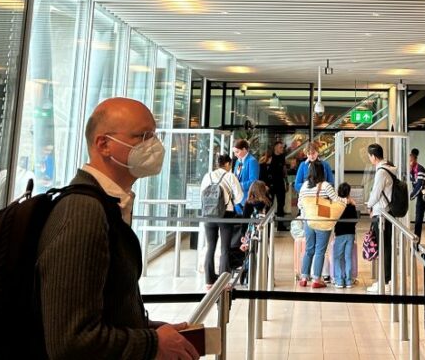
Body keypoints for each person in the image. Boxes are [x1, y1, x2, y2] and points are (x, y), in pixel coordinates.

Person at [35, 97, 198, 360]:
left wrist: (150, 332)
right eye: (142, 136)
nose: (153, 146)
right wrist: (150, 345)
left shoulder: (109, 206)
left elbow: (103, 309)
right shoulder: (83, 212)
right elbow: (70, 341)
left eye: (153, 136)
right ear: (104, 144)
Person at [199, 154, 244, 288]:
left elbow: (202, 193)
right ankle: (224, 281)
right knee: (225, 248)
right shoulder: (230, 176)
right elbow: (240, 197)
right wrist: (231, 202)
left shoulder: (208, 176)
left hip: (208, 215)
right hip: (226, 215)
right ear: (228, 164)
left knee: (210, 247)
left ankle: (209, 280)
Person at [297, 160, 338, 288]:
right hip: (322, 221)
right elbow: (336, 201)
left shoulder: (304, 186)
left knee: (309, 249)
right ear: (322, 172)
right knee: (320, 250)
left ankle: (304, 277)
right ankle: (316, 280)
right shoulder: (326, 186)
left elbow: (300, 204)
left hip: (308, 221)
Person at [366, 143, 397, 292]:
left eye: (369, 156)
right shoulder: (389, 169)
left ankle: (384, 282)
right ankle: (388, 280)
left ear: (373, 156)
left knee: (383, 247)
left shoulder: (381, 172)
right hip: (388, 213)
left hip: (382, 214)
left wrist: (369, 206)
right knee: (387, 247)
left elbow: (376, 193)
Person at [331, 182, 358, 288]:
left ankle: (339, 280)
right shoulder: (352, 205)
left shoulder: (337, 205)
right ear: (349, 192)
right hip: (350, 234)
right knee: (348, 257)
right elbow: (355, 220)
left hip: (340, 234)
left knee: (337, 257)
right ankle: (348, 281)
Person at [262, 140, 289, 230]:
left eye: (282, 147)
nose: (282, 149)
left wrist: (287, 182)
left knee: (281, 204)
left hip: (280, 183)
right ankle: (268, 225)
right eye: (280, 147)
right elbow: (263, 171)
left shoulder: (282, 157)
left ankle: (281, 225)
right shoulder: (269, 157)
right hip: (270, 185)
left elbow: (284, 170)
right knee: (269, 204)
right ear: (275, 148)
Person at [232, 139, 259, 216]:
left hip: (246, 198)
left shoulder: (252, 161)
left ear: (244, 150)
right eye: (234, 152)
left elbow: (253, 181)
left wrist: (238, 185)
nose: (235, 154)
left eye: (237, 152)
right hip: (237, 198)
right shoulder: (238, 161)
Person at [408, 148, 425, 239]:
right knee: (418, 220)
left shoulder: (420, 169)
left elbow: (420, 185)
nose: (410, 163)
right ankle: (416, 243)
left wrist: (411, 195)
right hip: (421, 196)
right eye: (409, 161)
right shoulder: (411, 171)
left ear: (415, 160)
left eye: (411, 161)